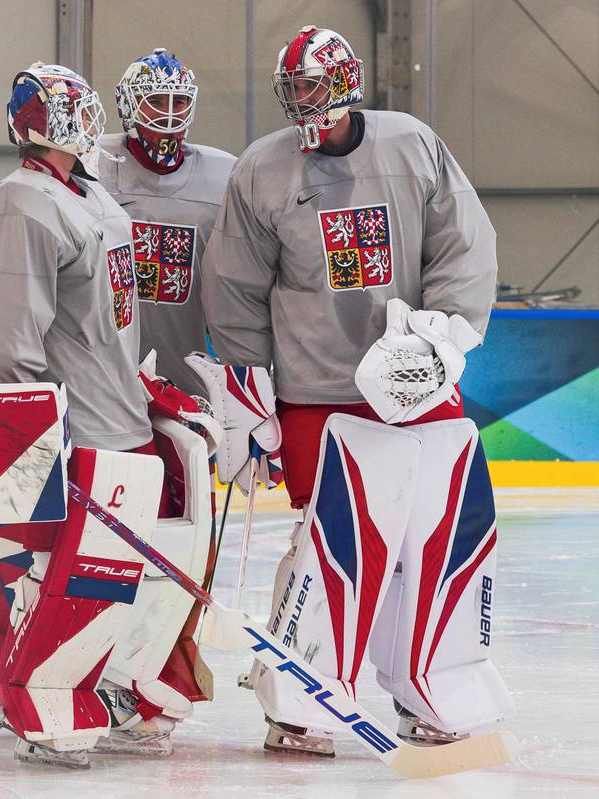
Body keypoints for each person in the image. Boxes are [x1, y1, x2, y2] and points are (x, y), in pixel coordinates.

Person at [200, 26, 513, 756]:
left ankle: (431, 687)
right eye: (293, 88)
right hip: (316, 393)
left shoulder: (412, 145)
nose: (300, 100)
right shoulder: (262, 170)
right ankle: (300, 696)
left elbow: (464, 244)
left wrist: (438, 339)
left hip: (417, 387)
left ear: (344, 80)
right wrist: (249, 390)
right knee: (330, 542)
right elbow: (235, 286)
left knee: (426, 543)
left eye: (310, 85)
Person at [0, 62, 215, 767]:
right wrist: (31, 461)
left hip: (117, 421)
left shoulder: (86, 195)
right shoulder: (20, 203)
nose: (83, 123)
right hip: (76, 432)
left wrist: (141, 393)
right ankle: (39, 697)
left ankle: (104, 687)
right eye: (70, 112)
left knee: (121, 583)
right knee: (53, 575)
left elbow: (98, 324)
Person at [95, 49, 236, 400]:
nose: (168, 114)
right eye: (155, 101)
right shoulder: (90, 164)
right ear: (127, 105)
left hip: (186, 374)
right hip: (101, 374)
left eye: (178, 102)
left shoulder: (226, 174)